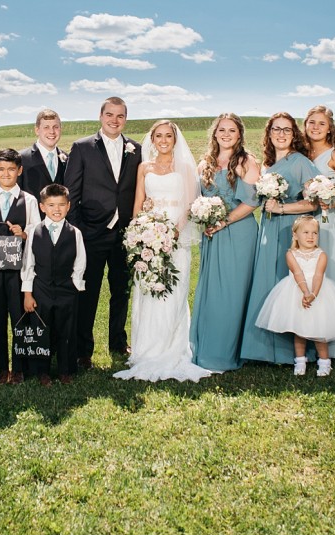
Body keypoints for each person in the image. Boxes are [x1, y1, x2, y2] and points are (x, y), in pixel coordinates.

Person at [114, 120, 212, 383]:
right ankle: (147, 348)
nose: (164, 140)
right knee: (147, 293)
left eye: (169, 135)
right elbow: (137, 203)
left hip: (176, 236)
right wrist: (137, 235)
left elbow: (190, 204)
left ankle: (173, 347)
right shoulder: (144, 168)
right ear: (153, 139)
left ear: (175, 139)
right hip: (148, 237)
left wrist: (174, 231)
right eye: (159, 136)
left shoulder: (186, 169)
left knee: (174, 292)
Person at [62, 96, 141, 369]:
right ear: (101, 115)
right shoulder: (82, 147)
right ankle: (83, 350)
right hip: (92, 233)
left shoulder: (136, 149)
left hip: (125, 234)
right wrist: (79, 232)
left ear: (125, 119)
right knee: (88, 292)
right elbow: (70, 192)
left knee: (121, 291)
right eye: (110, 114)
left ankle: (118, 342)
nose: (114, 120)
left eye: (120, 116)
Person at [240, 113, 319, 364]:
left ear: (294, 134)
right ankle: (263, 348)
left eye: (287, 129)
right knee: (268, 282)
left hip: (289, 229)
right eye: (276, 129)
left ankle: (292, 351)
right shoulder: (266, 164)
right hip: (268, 229)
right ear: (269, 133)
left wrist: (282, 209)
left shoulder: (300, 162)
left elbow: (314, 203)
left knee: (290, 285)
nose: (281, 134)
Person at [188, 113, 260, 371]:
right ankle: (207, 347)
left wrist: (222, 222)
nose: (226, 134)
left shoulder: (246, 161)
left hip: (239, 232)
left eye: (232, 130)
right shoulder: (205, 163)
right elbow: (195, 197)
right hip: (212, 235)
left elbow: (252, 202)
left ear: (239, 134)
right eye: (222, 130)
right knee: (212, 291)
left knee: (233, 291)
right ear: (215, 133)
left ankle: (230, 351)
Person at [254, 215, 335, 377]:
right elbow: (297, 273)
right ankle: (300, 361)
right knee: (299, 331)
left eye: (315, 233)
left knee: (320, 332)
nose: (311, 236)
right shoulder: (291, 254)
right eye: (306, 232)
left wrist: (313, 294)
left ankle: (324, 363)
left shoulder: (321, 254)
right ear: (295, 235)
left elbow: (318, 275)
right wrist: (305, 292)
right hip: (297, 290)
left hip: (319, 293)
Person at [0, 149, 41, 384]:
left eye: (11, 169)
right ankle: (2, 367)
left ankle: (20, 366)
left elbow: (37, 231)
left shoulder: (29, 200)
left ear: (19, 171)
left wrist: (23, 234)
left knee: (20, 315)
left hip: (19, 269)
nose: (6, 174)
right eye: (1, 169)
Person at [20, 184, 86, 385]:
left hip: (66, 289)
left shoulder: (75, 233)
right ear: (42, 207)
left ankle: (65, 369)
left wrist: (75, 285)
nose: (56, 209)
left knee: (66, 330)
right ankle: (43, 371)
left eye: (61, 205)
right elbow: (28, 264)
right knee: (42, 329)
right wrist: (28, 293)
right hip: (42, 289)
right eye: (51, 205)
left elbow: (80, 261)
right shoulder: (34, 233)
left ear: (68, 206)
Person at [302, 105, 335, 339]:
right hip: (304, 221)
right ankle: (308, 328)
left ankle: (331, 332)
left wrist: (329, 201)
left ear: (329, 128)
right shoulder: (301, 154)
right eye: (312, 122)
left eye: (321, 123)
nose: (316, 127)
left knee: (329, 274)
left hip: (330, 221)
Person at [19, 108, 68, 214]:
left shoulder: (67, 159)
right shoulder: (22, 158)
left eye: (56, 127)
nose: (52, 131)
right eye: (46, 127)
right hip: (31, 225)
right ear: (37, 130)